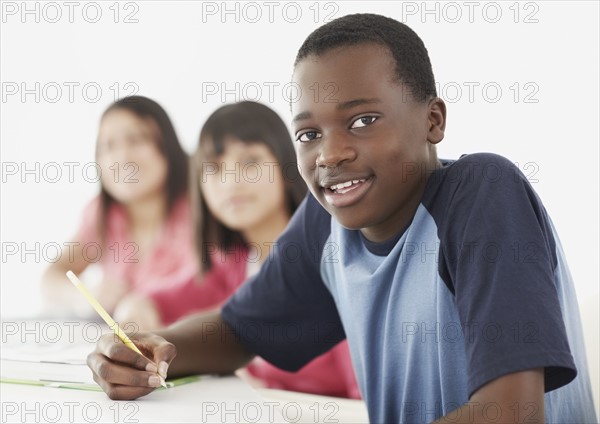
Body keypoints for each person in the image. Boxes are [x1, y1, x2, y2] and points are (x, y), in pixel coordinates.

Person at [86, 14, 597, 423]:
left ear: (433, 121)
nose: (329, 155)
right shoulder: (327, 222)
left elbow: (511, 413)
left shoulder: (482, 194)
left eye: (362, 121)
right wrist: (156, 351)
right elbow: (240, 331)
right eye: (309, 135)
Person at [122, 101, 359, 398]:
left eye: (250, 163)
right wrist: (135, 312)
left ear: (289, 164)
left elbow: (366, 397)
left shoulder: (329, 258)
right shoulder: (233, 263)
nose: (232, 182)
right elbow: (157, 298)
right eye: (214, 168)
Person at [41, 96, 196, 330]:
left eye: (136, 140)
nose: (122, 157)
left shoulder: (203, 209)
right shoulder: (105, 214)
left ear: (167, 146)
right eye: (108, 146)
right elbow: (52, 277)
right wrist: (86, 297)